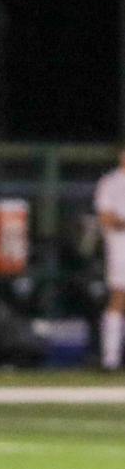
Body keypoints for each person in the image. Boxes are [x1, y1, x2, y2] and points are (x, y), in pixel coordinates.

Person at [95, 147, 125, 370]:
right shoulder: (110, 182)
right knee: (118, 297)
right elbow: (106, 217)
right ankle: (110, 358)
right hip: (119, 248)